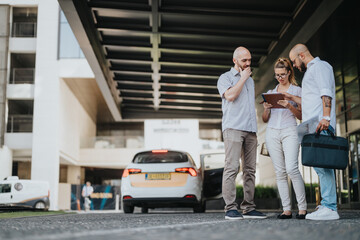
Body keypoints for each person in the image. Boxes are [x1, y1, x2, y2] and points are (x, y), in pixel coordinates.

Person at [289, 44, 339, 220]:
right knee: (320, 166)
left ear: (301, 55)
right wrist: (290, 98)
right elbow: (311, 98)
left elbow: (326, 93)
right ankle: (327, 205)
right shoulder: (311, 71)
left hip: (321, 125)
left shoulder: (320, 67)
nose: (294, 65)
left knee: (324, 167)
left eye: (294, 61)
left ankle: (330, 208)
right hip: (313, 127)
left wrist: (325, 117)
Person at [217, 46, 266, 220]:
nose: (247, 63)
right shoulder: (225, 78)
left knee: (250, 170)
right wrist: (243, 78)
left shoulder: (251, 81)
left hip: (250, 129)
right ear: (235, 60)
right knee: (231, 168)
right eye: (244, 60)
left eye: (249, 60)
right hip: (233, 128)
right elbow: (230, 96)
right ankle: (230, 208)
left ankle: (249, 207)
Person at [262, 58, 307, 219]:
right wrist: (266, 109)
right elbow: (265, 119)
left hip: (290, 130)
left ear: (289, 72)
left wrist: (289, 105)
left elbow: (302, 116)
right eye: (277, 75)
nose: (279, 78)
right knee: (279, 172)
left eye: (282, 74)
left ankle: (302, 208)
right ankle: (286, 209)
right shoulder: (271, 92)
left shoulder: (297, 91)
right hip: (272, 131)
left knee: (292, 169)